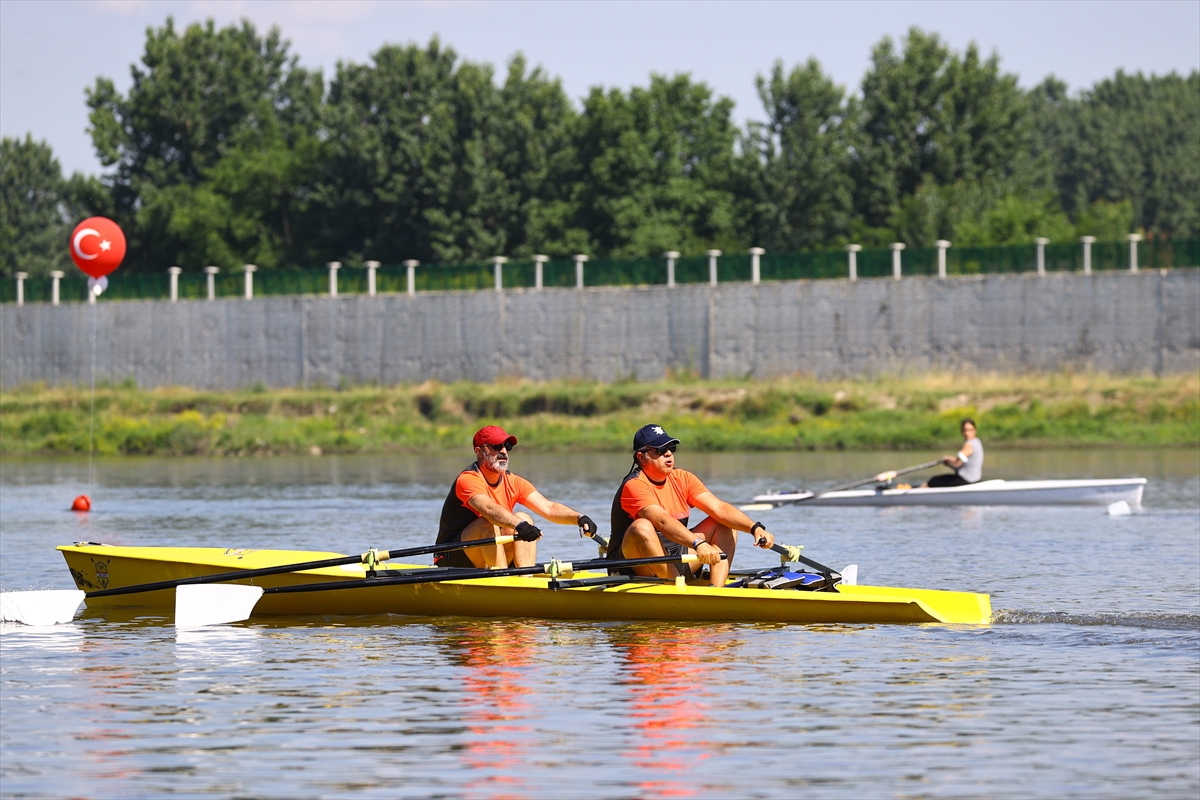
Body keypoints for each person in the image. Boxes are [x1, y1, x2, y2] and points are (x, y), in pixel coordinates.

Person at [607, 424, 776, 586]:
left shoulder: (683, 478)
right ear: (641, 457)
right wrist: (699, 544)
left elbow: (719, 508)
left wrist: (755, 528)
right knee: (641, 526)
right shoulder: (634, 485)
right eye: (659, 450)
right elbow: (662, 521)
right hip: (637, 567)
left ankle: (716, 593)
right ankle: (678, 589)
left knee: (725, 522)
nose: (668, 454)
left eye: (671, 448)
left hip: (678, 558)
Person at [436, 425, 597, 569]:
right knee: (489, 523)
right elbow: (489, 509)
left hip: (487, 552)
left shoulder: (513, 481)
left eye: (507, 446)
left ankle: (525, 582)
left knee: (523, 516)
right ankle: (502, 582)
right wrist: (520, 525)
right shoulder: (468, 479)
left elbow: (548, 507)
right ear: (478, 450)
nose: (504, 451)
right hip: (451, 556)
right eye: (496, 446)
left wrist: (579, 518)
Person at [925, 418, 984, 487]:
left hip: (965, 480)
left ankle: (916, 494)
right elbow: (961, 465)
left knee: (933, 480)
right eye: (965, 430)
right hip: (975, 480)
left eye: (970, 430)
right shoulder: (978, 442)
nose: (967, 433)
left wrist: (948, 459)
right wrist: (950, 463)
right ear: (962, 431)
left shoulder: (968, 445)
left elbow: (957, 463)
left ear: (975, 431)